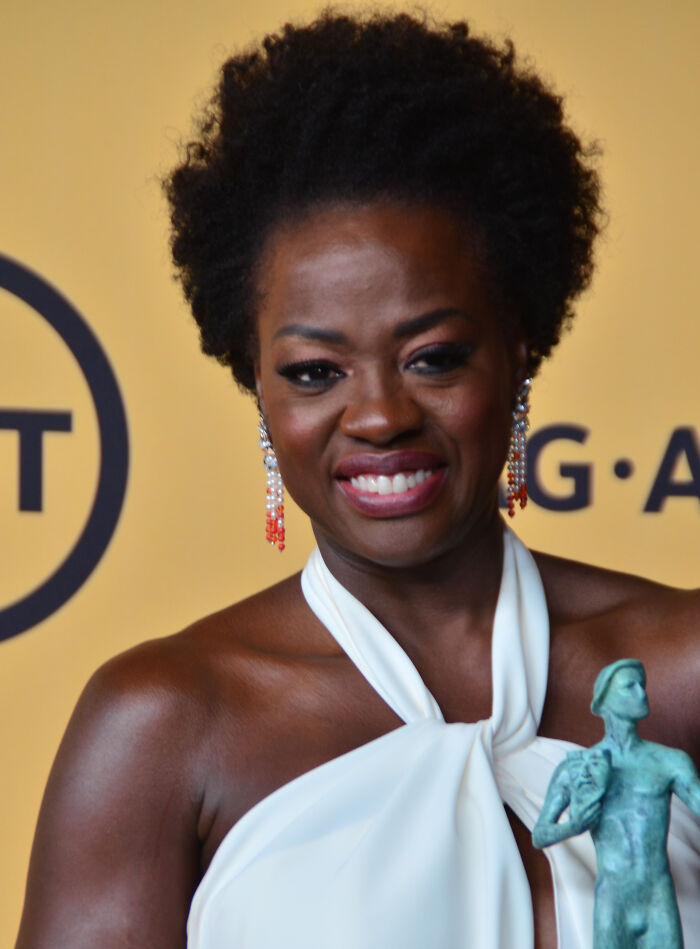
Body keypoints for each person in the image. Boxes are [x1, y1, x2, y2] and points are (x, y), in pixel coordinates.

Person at [14, 11, 699, 949]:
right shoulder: (165, 724)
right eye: (314, 372)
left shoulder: (684, 668)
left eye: (433, 357)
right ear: (258, 388)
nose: (379, 415)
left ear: (518, 353)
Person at [534, 659, 700, 948]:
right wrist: (573, 826)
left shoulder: (669, 762)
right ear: (605, 700)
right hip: (613, 900)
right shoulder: (578, 768)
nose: (642, 693)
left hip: (658, 898)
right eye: (630, 687)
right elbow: (541, 834)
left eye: (642, 686)